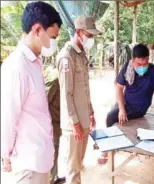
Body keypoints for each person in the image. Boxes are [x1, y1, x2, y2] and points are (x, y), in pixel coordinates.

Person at [1, 1, 62, 184]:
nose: (53, 43)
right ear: (37, 30)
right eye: (52, 37)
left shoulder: (34, 61)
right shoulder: (17, 66)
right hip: (28, 164)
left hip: (39, 158)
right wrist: (5, 154)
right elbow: (7, 117)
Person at [98, 43, 154, 165]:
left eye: (145, 64)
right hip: (126, 103)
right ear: (132, 60)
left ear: (148, 59)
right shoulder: (126, 68)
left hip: (139, 108)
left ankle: (109, 148)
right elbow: (118, 88)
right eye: (139, 64)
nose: (142, 67)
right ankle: (110, 145)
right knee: (113, 113)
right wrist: (122, 109)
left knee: (111, 116)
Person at [56, 15, 100, 184]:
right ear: (79, 32)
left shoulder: (81, 54)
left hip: (84, 120)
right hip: (73, 124)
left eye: (92, 36)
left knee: (79, 163)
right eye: (89, 35)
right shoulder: (67, 56)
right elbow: (66, 94)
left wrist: (90, 111)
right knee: (73, 169)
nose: (91, 39)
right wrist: (75, 123)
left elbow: (84, 88)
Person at [44, 64, 66, 184]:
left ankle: (53, 177)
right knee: (52, 150)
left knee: (55, 150)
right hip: (51, 122)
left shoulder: (63, 78)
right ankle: (50, 180)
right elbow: (44, 101)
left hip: (58, 121)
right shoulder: (55, 79)